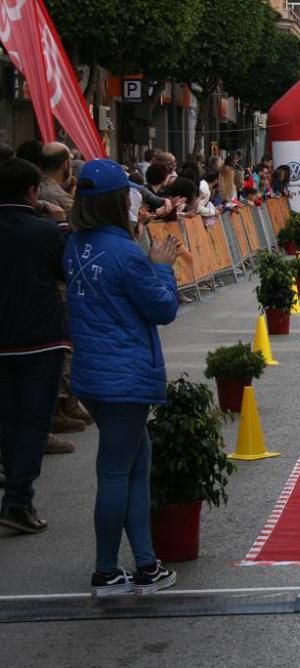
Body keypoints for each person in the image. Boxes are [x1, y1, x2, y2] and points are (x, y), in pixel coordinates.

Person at [64, 158, 181, 596]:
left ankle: (147, 564)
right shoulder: (125, 254)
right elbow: (162, 308)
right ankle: (108, 570)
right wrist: (161, 266)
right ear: (119, 202)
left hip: (96, 372)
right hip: (125, 376)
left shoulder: (77, 245)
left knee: (135, 468)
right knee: (117, 472)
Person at [0, 158, 71, 534]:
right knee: (33, 421)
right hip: (40, 339)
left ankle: (13, 492)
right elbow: (68, 269)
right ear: (32, 192)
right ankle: (17, 499)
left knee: (8, 418)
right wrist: (60, 222)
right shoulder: (44, 231)